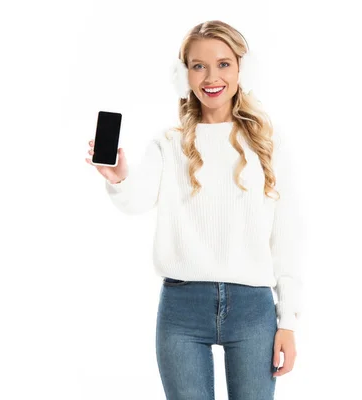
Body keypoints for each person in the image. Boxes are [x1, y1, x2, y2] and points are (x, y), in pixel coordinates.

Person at [85, 20, 303, 400]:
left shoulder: (268, 143)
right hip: (182, 309)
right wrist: (118, 176)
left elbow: (286, 237)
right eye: (198, 65)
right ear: (184, 74)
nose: (210, 77)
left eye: (223, 64)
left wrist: (288, 322)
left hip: (253, 310)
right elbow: (136, 200)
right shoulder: (168, 143)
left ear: (241, 69)